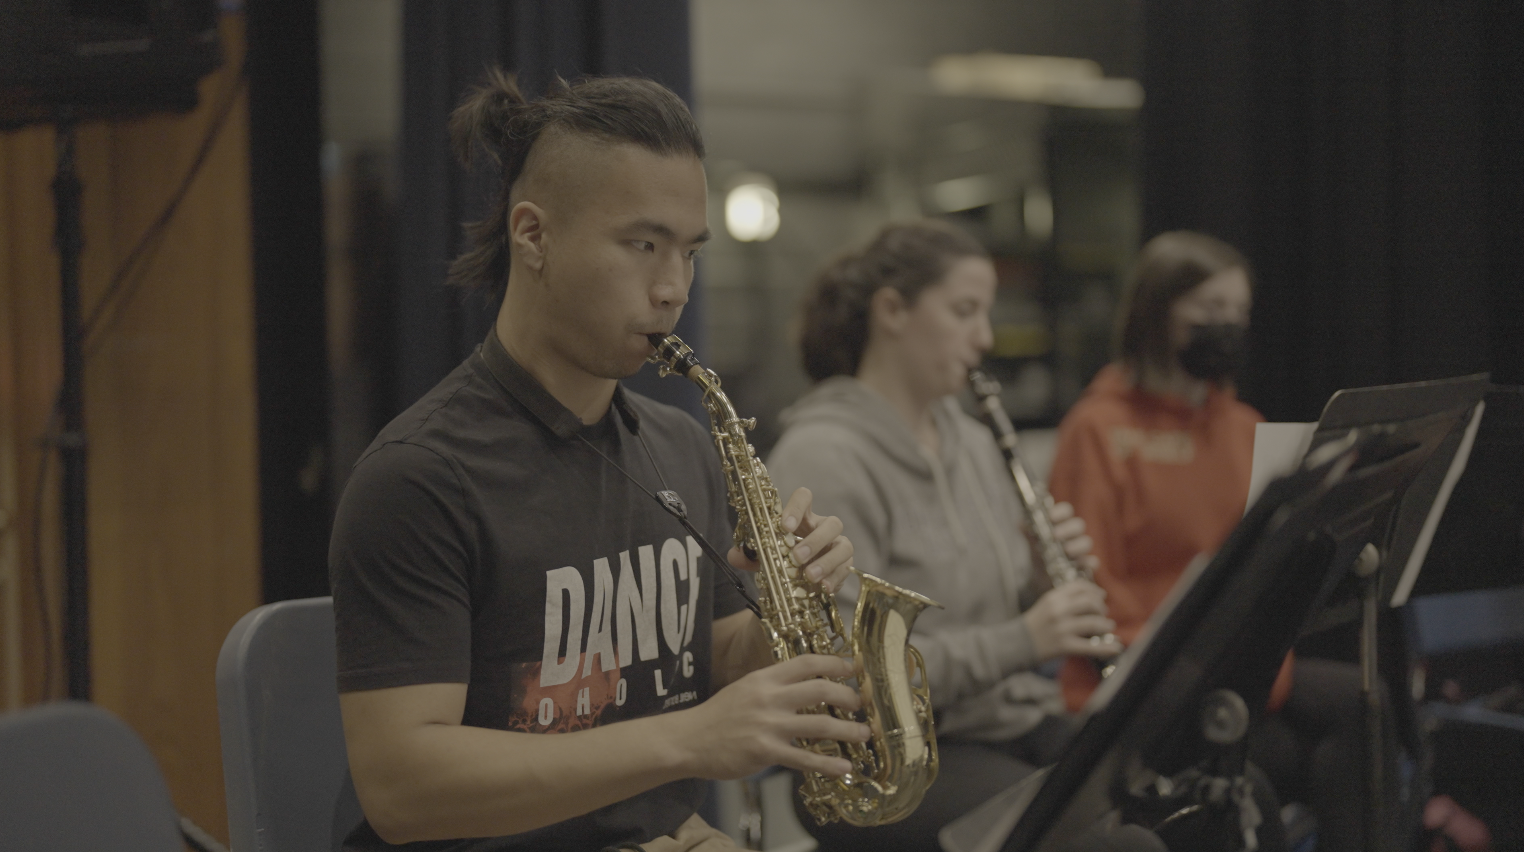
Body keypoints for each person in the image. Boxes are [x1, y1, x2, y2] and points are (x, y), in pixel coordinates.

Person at [328, 70, 866, 852]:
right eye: (643, 245)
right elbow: (402, 789)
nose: (673, 288)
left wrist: (788, 609)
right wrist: (688, 741)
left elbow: (716, 666)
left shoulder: (681, 443)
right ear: (533, 235)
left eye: (688, 252)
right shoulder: (418, 477)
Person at [766, 220, 1124, 852]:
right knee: (1095, 839)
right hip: (889, 755)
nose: (984, 338)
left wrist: (1040, 585)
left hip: (1003, 720)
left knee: (1175, 790)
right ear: (892, 310)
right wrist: (1027, 637)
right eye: (964, 311)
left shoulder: (974, 442)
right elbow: (854, 678)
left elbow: (987, 604)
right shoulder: (822, 456)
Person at [1046, 230, 1367, 850]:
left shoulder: (1246, 426)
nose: (1229, 326)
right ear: (1155, 311)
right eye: (1210, 310)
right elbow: (1087, 592)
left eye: (1238, 313)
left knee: (1366, 706)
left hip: (1237, 670)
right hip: (1149, 682)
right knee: (1259, 773)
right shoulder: (1097, 429)